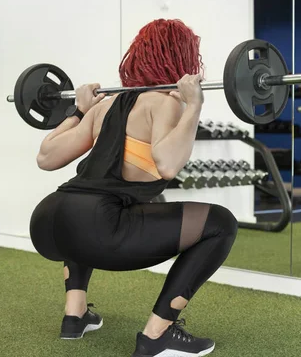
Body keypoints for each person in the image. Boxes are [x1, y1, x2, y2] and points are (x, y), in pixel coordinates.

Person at [29, 18, 238, 357]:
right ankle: (159, 335)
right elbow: (169, 163)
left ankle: (75, 315)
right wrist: (194, 105)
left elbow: (46, 157)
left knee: (89, 207)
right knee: (220, 223)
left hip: (50, 220)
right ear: (183, 58)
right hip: (98, 228)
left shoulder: (104, 105)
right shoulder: (165, 102)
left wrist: (78, 111)